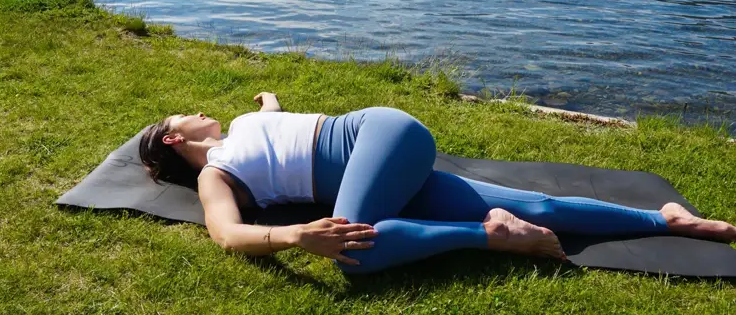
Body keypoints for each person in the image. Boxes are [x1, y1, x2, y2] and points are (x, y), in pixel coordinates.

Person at [139, 93, 736, 274]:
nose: (194, 109)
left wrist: (267, 101)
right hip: (385, 173)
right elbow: (225, 233)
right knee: (539, 204)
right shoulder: (217, 174)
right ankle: (670, 220)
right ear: (173, 139)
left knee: (354, 253)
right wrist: (297, 236)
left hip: (377, 136)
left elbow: (271, 113)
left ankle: (493, 236)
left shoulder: (245, 123)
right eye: (181, 115)